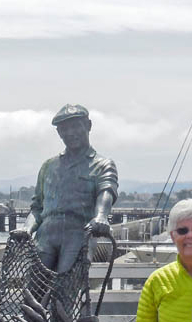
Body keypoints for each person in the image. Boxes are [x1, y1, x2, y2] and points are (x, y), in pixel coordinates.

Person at [12, 104, 117, 272]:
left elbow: (106, 191)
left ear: (88, 126)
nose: (70, 133)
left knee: (66, 288)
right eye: (64, 129)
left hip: (78, 235)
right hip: (45, 235)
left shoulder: (103, 165)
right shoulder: (49, 166)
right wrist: (27, 228)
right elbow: (37, 207)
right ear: (59, 133)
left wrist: (101, 216)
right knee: (33, 288)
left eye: (76, 126)